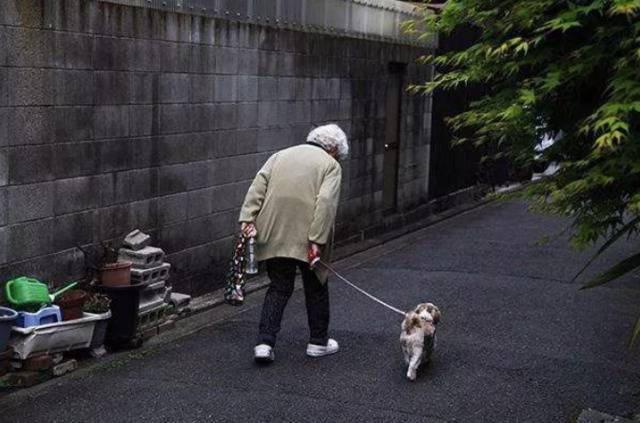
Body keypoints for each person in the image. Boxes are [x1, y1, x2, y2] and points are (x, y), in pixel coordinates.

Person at [238, 123, 349, 363]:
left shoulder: (280, 155)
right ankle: (318, 342)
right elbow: (326, 203)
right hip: (307, 237)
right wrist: (317, 240)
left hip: (273, 231)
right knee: (316, 286)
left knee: (279, 287)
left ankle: (264, 344)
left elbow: (258, 186)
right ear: (333, 149)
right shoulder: (331, 165)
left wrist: (248, 218)